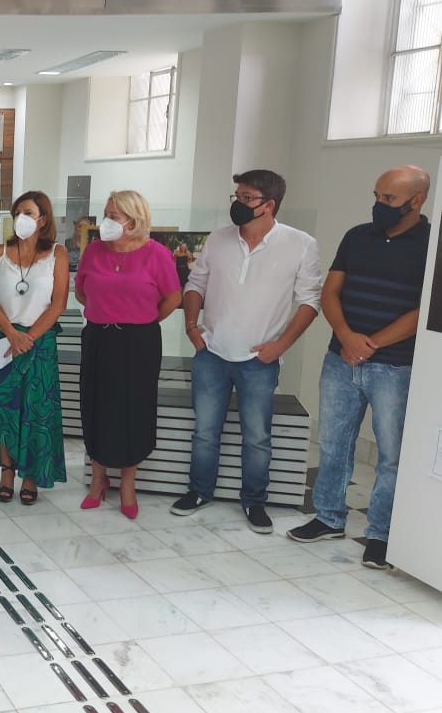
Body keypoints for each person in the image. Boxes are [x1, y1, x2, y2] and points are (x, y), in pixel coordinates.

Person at [287, 166, 431, 569]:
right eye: (377, 196)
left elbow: (424, 309)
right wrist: (347, 336)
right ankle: (329, 517)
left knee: (391, 455)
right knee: (334, 443)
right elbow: (331, 291)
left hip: (395, 367)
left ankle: (381, 533)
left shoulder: (432, 244)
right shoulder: (357, 236)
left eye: (389, 199)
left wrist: (372, 344)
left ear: (417, 201)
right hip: (341, 358)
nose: (379, 204)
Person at [173, 170, 321, 533]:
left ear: (269, 205)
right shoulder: (218, 239)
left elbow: (309, 301)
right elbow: (195, 285)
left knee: (257, 437)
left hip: (259, 359)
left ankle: (254, 501)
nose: (238, 203)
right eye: (236, 196)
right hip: (211, 351)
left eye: (247, 198)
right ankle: (198, 492)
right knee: (205, 431)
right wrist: (191, 326)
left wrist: (281, 345)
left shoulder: (300, 244)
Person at [75, 191, 182, 518]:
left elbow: (173, 297)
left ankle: (127, 483)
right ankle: (98, 479)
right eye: (105, 214)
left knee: (134, 407)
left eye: (113, 216)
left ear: (133, 220)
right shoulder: (93, 251)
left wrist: (143, 319)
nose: (105, 221)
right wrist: (107, 310)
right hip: (99, 337)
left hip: (139, 341)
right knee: (95, 404)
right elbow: (81, 292)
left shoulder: (157, 254)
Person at [0, 191, 70, 504]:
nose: (21, 219)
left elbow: (58, 304)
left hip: (39, 342)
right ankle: (6, 471)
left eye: (28, 213)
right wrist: (12, 334)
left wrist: (27, 338)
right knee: (2, 407)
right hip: (2, 337)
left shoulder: (58, 254)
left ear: (43, 219)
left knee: (36, 408)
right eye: (17, 213)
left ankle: (31, 475)